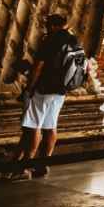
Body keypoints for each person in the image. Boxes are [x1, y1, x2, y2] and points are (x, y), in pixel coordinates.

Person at [8, 13, 85, 180]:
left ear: (51, 26)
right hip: (61, 91)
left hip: (43, 89)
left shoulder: (50, 40)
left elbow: (38, 67)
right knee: (50, 126)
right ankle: (43, 163)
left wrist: (29, 88)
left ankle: (25, 167)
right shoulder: (74, 40)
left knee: (33, 126)